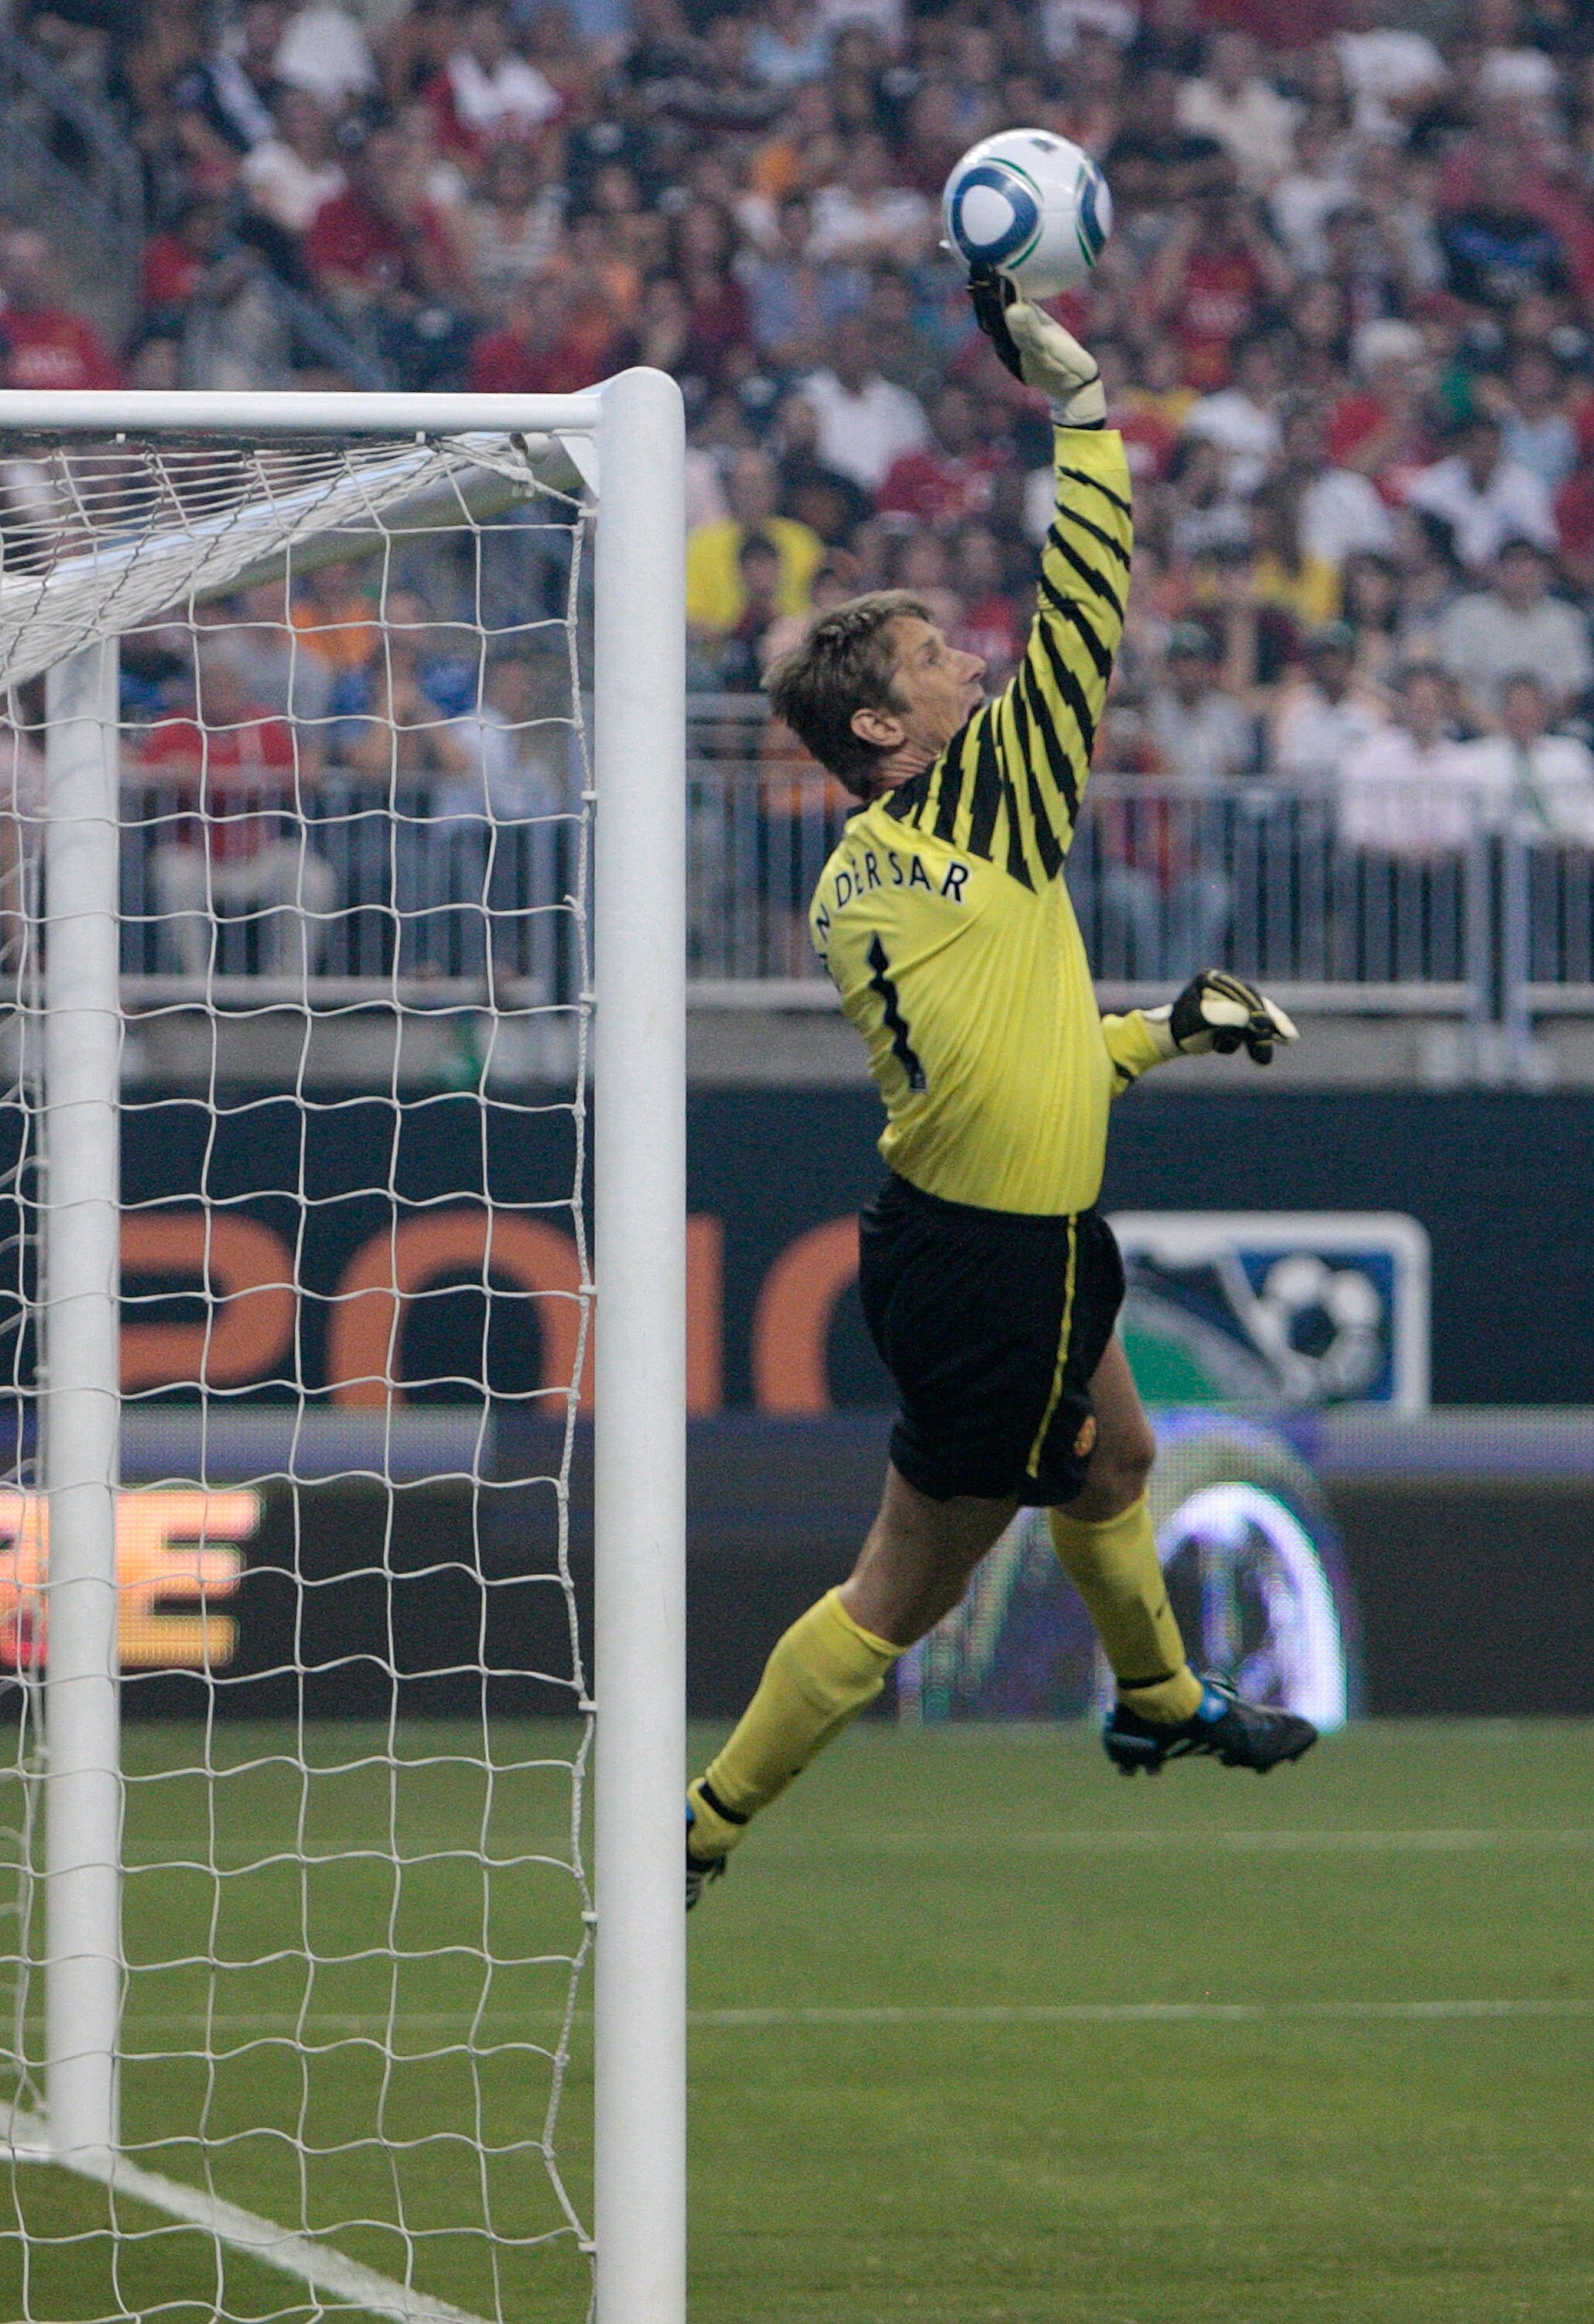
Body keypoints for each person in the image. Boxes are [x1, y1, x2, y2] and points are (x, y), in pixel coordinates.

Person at [684, 283, 1315, 1911]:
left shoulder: (883, 867)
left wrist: (1165, 1027)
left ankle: (1162, 1700)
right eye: (935, 660)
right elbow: (1089, 613)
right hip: (989, 1260)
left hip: (1001, 1229)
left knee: (1119, 1456)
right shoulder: (974, 815)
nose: (975, 666)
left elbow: (1026, 1065)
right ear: (885, 729)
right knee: (904, 1587)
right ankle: (703, 1817)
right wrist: (1086, 413)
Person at [141, 639, 335, 982]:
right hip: (196, 856)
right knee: (172, 874)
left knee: (312, 876)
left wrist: (305, 772)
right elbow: (143, 775)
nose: (218, 694)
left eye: (226, 685)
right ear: (197, 688)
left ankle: (288, 984)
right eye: (210, 685)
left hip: (257, 855)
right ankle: (197, 984)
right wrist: (169, 774)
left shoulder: (265, 726)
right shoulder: (174, 728)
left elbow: (306, 768)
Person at [1436, 537, 1592, 727]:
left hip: (1548, 726)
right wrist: (1491, 725)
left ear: (1544, 572)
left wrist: (1533, 725)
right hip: (1480, 724)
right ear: (1497, 571)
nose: (1521, 576)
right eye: (1513, 568)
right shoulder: (1467, 614)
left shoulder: (1566, 619)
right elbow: (1454, 683)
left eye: (1528, 569)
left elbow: (1573, 689)